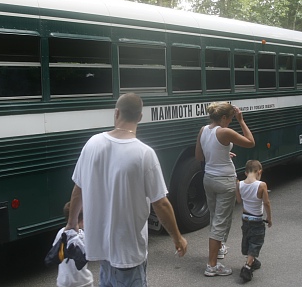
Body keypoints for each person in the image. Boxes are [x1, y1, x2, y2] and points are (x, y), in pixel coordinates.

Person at [66, 93, 187, 287]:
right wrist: (178, 238)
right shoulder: (144, 154)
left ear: (116, 113)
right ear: (140, 117)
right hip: (128, 253)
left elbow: (78, 190)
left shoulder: (91, 144)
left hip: (101, 251)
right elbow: (161, 204)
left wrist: (72, 223)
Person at [195, 102, 255, 277]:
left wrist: (221, 153)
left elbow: (199, 156)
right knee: (221, 221)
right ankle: (212, 266)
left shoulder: (203, 130)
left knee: (215, 216)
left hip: (209, 178)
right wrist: (242, 121)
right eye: (230, 118)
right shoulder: (224, 131)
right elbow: (251, 142)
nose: (231, 121)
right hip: (224, 181)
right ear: (223, 117)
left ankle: (219, 249)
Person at [236, 160, 272, 282]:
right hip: (257, 219)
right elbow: (266, 203)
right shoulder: (262, 185)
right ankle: (247, 267)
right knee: (256, 242)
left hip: (245, 218)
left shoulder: (239, 184)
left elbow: (239, 201)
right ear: (259, 171)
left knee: (247, 239)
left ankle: (252, 260)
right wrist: (269, 218)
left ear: (246, 172)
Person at [53, 202, 93, 287]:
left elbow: (55, 249)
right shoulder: (84, 235)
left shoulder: (61, 233)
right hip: (84, 281)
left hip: (64, 281)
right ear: (83, 219)